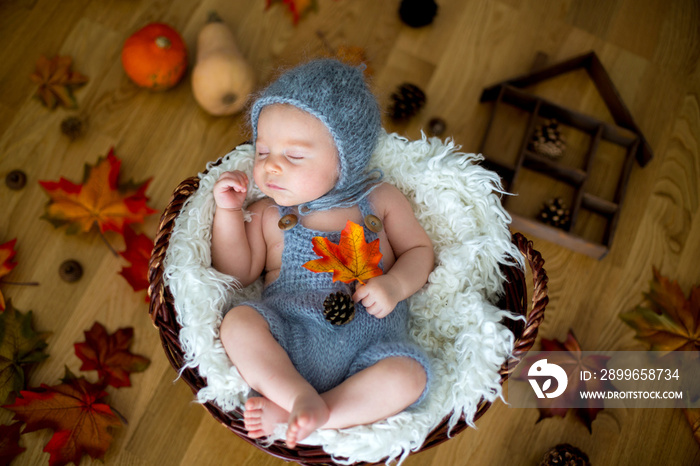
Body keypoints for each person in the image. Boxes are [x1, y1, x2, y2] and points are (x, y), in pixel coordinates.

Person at [211, 59, 434, 448]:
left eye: (294, 156)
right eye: (262, 151)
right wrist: (229, 212)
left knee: (410, 376)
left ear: (344, 161)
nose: (272, 166)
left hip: (371, 350)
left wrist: (396, 285)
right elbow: (237, 272)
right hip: (290, 341)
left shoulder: (379, 201)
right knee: (238, 322)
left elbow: (419, 249)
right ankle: (296, 395)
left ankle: (318, 411)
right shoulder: (268, 213)